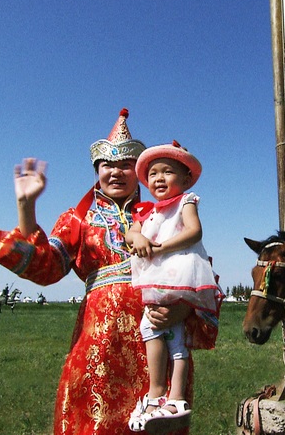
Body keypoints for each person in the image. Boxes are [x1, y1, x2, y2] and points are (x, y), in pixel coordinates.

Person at [0, 109, 219, 435]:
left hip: (158, 332)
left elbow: (198, 270)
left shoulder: (165, 214)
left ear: (139, 172)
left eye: (125, 165)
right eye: (106, 165)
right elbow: (47, 266)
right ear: (97, 170)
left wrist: (183, 307)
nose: (115, 172)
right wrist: (26, 207)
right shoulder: (77, 219)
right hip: (97, 343)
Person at [125, 141, 223, 433]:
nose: (159, 178)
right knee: (152, 328)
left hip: (180, 273)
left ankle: (175, 395)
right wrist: (137, 238)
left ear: (185, 179)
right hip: (158, 276)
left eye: (168, 172)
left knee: (177, 337)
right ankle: (156, 392)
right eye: (153, 173)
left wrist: (161, 247)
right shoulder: (147, 211)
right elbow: (132, 231)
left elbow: (194, 231)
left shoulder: (186, 202)